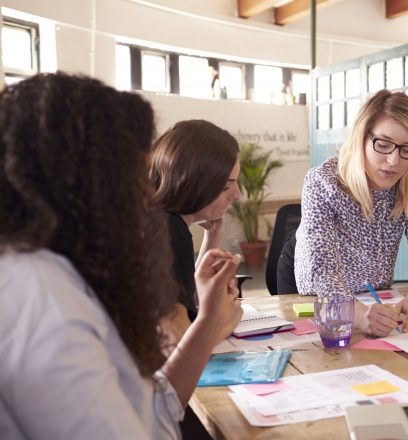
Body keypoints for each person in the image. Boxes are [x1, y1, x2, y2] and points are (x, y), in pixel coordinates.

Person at [0, 73, 243, 438]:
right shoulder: (46, 307)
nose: (147, 193)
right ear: (88, 185)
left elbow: (154, 409)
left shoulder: (65, 272)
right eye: (136, 175)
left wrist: (207, 324)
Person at [293, 90, 408, 336]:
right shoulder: (322, 181)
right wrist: (359, 316)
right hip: (318, 297)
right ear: (361, 139)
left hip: (376, 294)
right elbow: (323, 269)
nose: (394, 161)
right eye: (383, 145)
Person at [150, 119, 241, 322]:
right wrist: (225, 318)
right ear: (194, 183)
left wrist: (213, 235)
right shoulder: (169, 231)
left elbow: (189, 300)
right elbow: (182, 337)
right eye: (227, 186)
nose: (237, 195)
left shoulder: (161, 221)